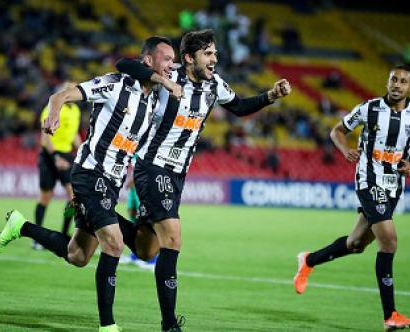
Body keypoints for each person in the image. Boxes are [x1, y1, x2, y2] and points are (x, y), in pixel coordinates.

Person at [0, 36, 182, 332]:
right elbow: (62, 96)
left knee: (78, 255)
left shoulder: (155, 100)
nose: (172, 65)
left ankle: (21, 226)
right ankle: (108, 326)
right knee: (115, 242)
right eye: (167, 59)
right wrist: (54, 112)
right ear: (148, 61)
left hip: (113, 183)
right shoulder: (116, 85)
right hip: (90, 173)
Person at [115, 29, 291, 332]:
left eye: (215, 53)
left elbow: (239, 106)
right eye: (208, 53)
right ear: (188, 58)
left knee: (147, 249)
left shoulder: (214, 85)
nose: (214, 58)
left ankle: (96, 214)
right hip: (152, 166)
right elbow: (123, 64)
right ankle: (169, 325)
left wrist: (271, 96)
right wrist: (163, 80)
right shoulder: (169, 76)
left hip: (178, 174)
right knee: (173, 238)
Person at [293, 64, 410, 331]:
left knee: (355, 244)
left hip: (394, 186)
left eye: (402, 81)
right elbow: (337, 131)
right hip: (369, 179)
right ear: (387, 82)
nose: (396, 85)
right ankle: (390, 315)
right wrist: (345, 151)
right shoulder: (370, 108)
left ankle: (308, 260)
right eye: (393, 79)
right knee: (389, 242)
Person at [33, 81, 82, 250]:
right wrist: (55, 157)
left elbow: (73, 134)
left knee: (73, 197)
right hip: (49, 155)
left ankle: (63, 234)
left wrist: (83, 149)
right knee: (45, 197)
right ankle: (37, 238)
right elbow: (45, 137)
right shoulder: (51, 108)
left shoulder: (75, 111)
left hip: (66, 155)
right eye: (68, 88)